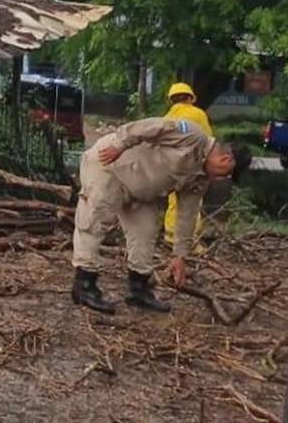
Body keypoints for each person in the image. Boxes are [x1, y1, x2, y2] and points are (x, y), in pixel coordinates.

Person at [71, 116, 250, 314]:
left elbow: (187, 215)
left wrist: (180, 256)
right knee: (95, 221)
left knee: (146, 232)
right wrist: (120, 145)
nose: (221, 178)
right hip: (110, 167)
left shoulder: (200, 178)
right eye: (226, 174)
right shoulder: (191, 135)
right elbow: (148, 127)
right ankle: (84, 286)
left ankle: (138, 289)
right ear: (226, 160)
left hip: (140, 191)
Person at [163, 82, 214, 246]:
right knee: (192, 202)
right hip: (192, 164)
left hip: (171, 165)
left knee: (173, 200)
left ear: (171, 100)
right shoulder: (198, 114)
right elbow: (208, 138)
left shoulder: (168, 116)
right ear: (191, 98)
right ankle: (189, 240)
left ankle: (170, 236)